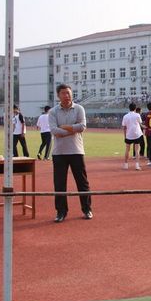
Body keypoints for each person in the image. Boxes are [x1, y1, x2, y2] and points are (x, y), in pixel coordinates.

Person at [48, 84, 92, 223]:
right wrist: (73, 129)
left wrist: (65, 128)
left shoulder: (79, 109)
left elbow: (82, 127)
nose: (66, 95)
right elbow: (55, 131)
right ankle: (61, 212)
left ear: (71, 94)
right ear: (58, 95)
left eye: (68, 93)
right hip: (59, 152)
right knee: (59, 183)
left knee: (82, 182)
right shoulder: (53, 112)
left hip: (76, 150)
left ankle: (87, 209)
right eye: (63, 93)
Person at [122, 102, 143, 170]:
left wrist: (125, 136)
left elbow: (124, 127)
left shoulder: (125, 116)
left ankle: (125, 164)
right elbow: (140, 123)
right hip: (137, 134)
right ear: (135, 108)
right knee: (137, 150)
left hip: (129, 135)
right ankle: (137, 165)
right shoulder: (137, 115)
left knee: (127, 150)